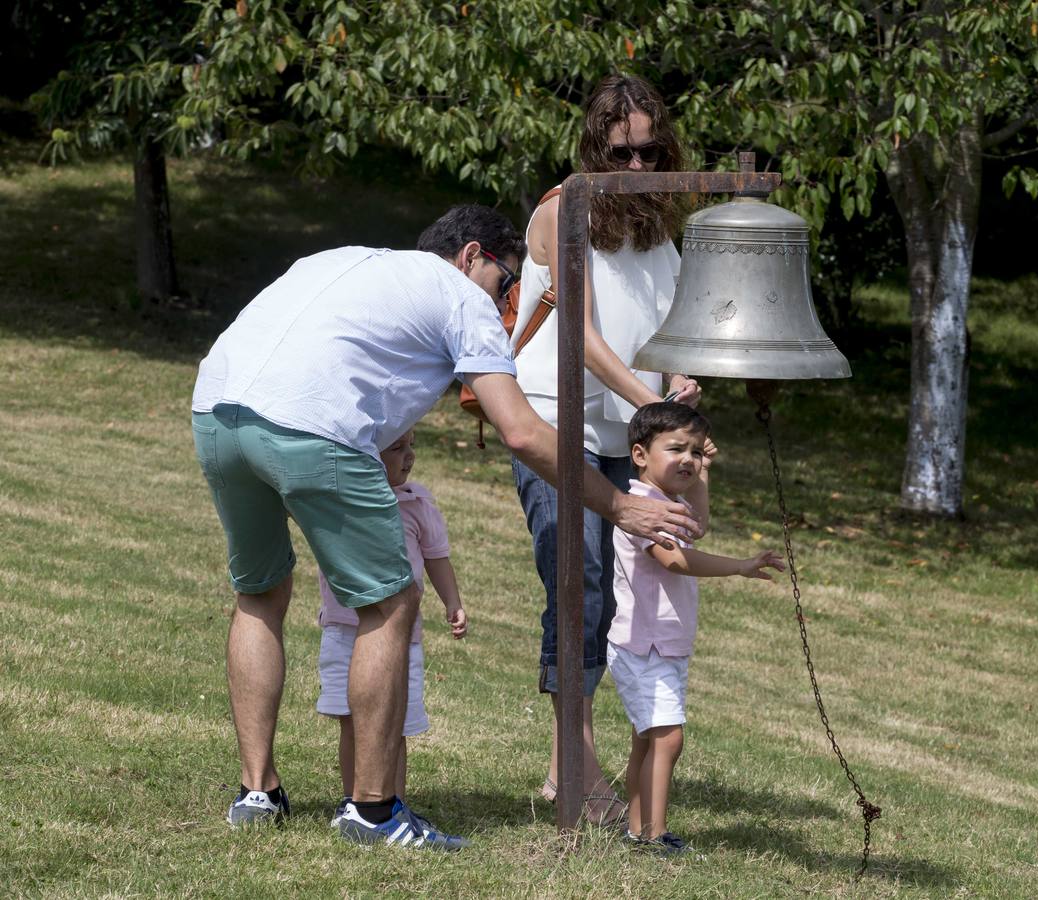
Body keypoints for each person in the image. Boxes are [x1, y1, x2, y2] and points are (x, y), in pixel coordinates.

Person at [191, 204, 698, 852]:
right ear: (473, 257)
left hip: (216, 409)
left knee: (260, 591)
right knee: (392, 598)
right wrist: (620, 505)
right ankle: (373, 813)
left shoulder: (344, 259)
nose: (508, 300)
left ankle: (257, 792)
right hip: (309, 421)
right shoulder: (463, 297)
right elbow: (520, 430)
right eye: (507, 282)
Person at [510, 72, 706, 824]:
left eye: (652, 153)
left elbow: (672, 327)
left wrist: (678, 379)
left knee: (630, 600)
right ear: (596, 146)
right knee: (578, 581)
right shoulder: (563, 212)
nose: (638, 167)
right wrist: (649, 401)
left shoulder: (658, 232)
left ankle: (575, 764)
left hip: (631, 434)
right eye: (623, 152)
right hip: (554, 425)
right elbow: (579, 337)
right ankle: (580, 763)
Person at [608, 402, 784, 854]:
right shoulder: (641, 509)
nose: (688, 459)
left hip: (661, 645)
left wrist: (703, 473)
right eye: (676, 449)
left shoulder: (669, 503)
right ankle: (654, 835)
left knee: (647, 740)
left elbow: (698, 527)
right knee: (669, 738)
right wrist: (739, 566)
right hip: (644, 645)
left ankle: (637, 828)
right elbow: (675, 558)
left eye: (696, 452)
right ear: (640, 454)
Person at [315, 428, 467, 837]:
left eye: (412, 445)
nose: (410, 455)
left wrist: (452, 601)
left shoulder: (417, 503)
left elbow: (437, 557)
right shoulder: (341, 499)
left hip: (399, 639)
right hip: (343, 629)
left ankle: (392, 805)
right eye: (397, 448)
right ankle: (354, 802)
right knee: (351, 721)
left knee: (392, 723)